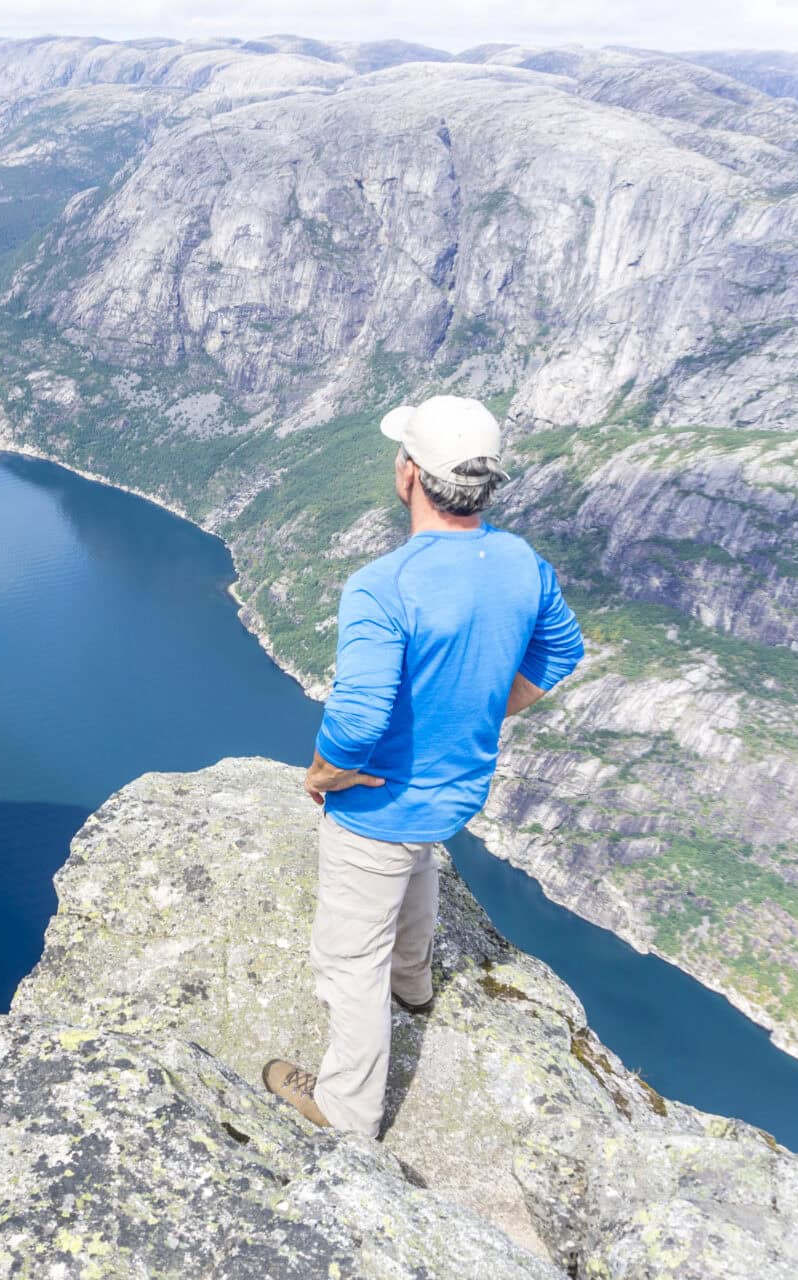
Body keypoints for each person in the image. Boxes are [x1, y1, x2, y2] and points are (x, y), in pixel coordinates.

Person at [261, 394, 585, 1137]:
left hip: (378, 808)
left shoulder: (385, 585)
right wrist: (485, 710)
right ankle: (414, 985)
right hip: (453, 794)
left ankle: (344, 1112)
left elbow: (359, 718)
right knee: (418, 867)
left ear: (410, 474)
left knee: (347, 962)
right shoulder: (520, 564)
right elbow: (562, 650)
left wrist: (321, 775)